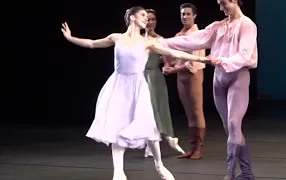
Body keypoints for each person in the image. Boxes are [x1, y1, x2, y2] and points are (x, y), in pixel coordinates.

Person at [61, 6, 208, 180]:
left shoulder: (148, 42)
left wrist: (200, 58)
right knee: (116, 126)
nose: (147, 19)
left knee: (148, 126)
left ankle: (159, 165)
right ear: (132, 17)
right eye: (143, 15)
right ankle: (118, 170)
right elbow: (92, 43)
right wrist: (70, 38)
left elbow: (172, 52)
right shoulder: (117, 38)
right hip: (118, 85)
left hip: (138, 86)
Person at [158, 0, 257, 179]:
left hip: (238, 76)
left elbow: (244, 54)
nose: (221, 7)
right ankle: (247, 172)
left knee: (234, 124)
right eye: (219, 3)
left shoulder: (247, 25)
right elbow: (192, 40)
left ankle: (230, 173)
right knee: (230, 128)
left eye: (223, 3)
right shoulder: (218, 26)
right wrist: (162, 43)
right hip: (219, 78)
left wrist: (223, 60)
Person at [163, 3, 207, 160]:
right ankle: (192, 147)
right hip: (181, 75)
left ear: (194, 16)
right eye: (183, 14)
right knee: (189, 112)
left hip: (192, 74)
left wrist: (173, 69)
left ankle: (199, 148)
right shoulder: (179, 34)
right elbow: (174, 57)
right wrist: (168, 64)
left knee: (196, 110)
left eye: (188, 14)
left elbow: (193, 63)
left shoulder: (198, 34)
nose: (185, 17)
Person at [142, 9, 185, 158]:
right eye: (147, 19)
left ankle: (168, 136)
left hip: (154, 76)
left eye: (153, 19)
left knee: (159, 107)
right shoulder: (138, 38)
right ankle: (151, 141)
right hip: (140, 77)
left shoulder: (160, 39)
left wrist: (167, 64)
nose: (150, 22)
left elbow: (169, 58)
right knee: (146, 110)